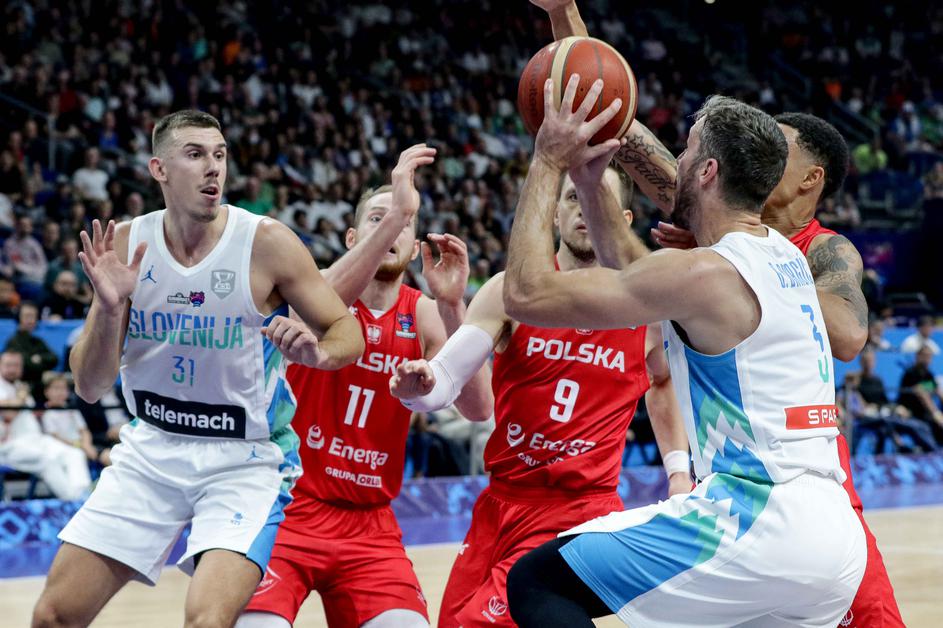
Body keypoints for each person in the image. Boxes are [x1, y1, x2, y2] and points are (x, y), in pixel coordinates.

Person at [533, 7, 901, 623]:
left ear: (809, 178)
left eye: (777, 144)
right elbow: (619, 122)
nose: (760, 145)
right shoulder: (710, 216)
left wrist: (740, 273)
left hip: (809, 473)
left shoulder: (824, 249)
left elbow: (846, 336)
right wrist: (565, 15)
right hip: (740, 484)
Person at [31, 109, 364, 628]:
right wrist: (112, 309)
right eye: (195, 154)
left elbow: (348, 330)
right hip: (152, 447)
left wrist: (318, 354)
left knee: (207, 621)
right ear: (159, 169)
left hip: (244, 458)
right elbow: (90, 386)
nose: (213, 167)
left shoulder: (266, 242)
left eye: (219, 155)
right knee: (53, 616)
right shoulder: (127, 245)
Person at [390, 163, 690, 627]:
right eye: (573, 197)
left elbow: (663, 382)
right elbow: (449, 379)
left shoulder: (649, 311)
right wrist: (420, 390)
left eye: (597, 200)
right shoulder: (510, 291)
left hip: (579, 510)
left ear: (624, 221)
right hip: (501, 502)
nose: (584, 209)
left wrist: (678, 473)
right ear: (554, 214)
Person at [237, 145, 493, 628]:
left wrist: (452, 305)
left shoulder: (424, 314)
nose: (390, 229)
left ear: (414, 249)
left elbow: (479, 407)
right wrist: (396, 216)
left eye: (401, 225)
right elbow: (312, 311)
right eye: (377, 219)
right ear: (353, 238)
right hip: (288, 506)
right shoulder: (317, 288)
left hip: (369, 522)